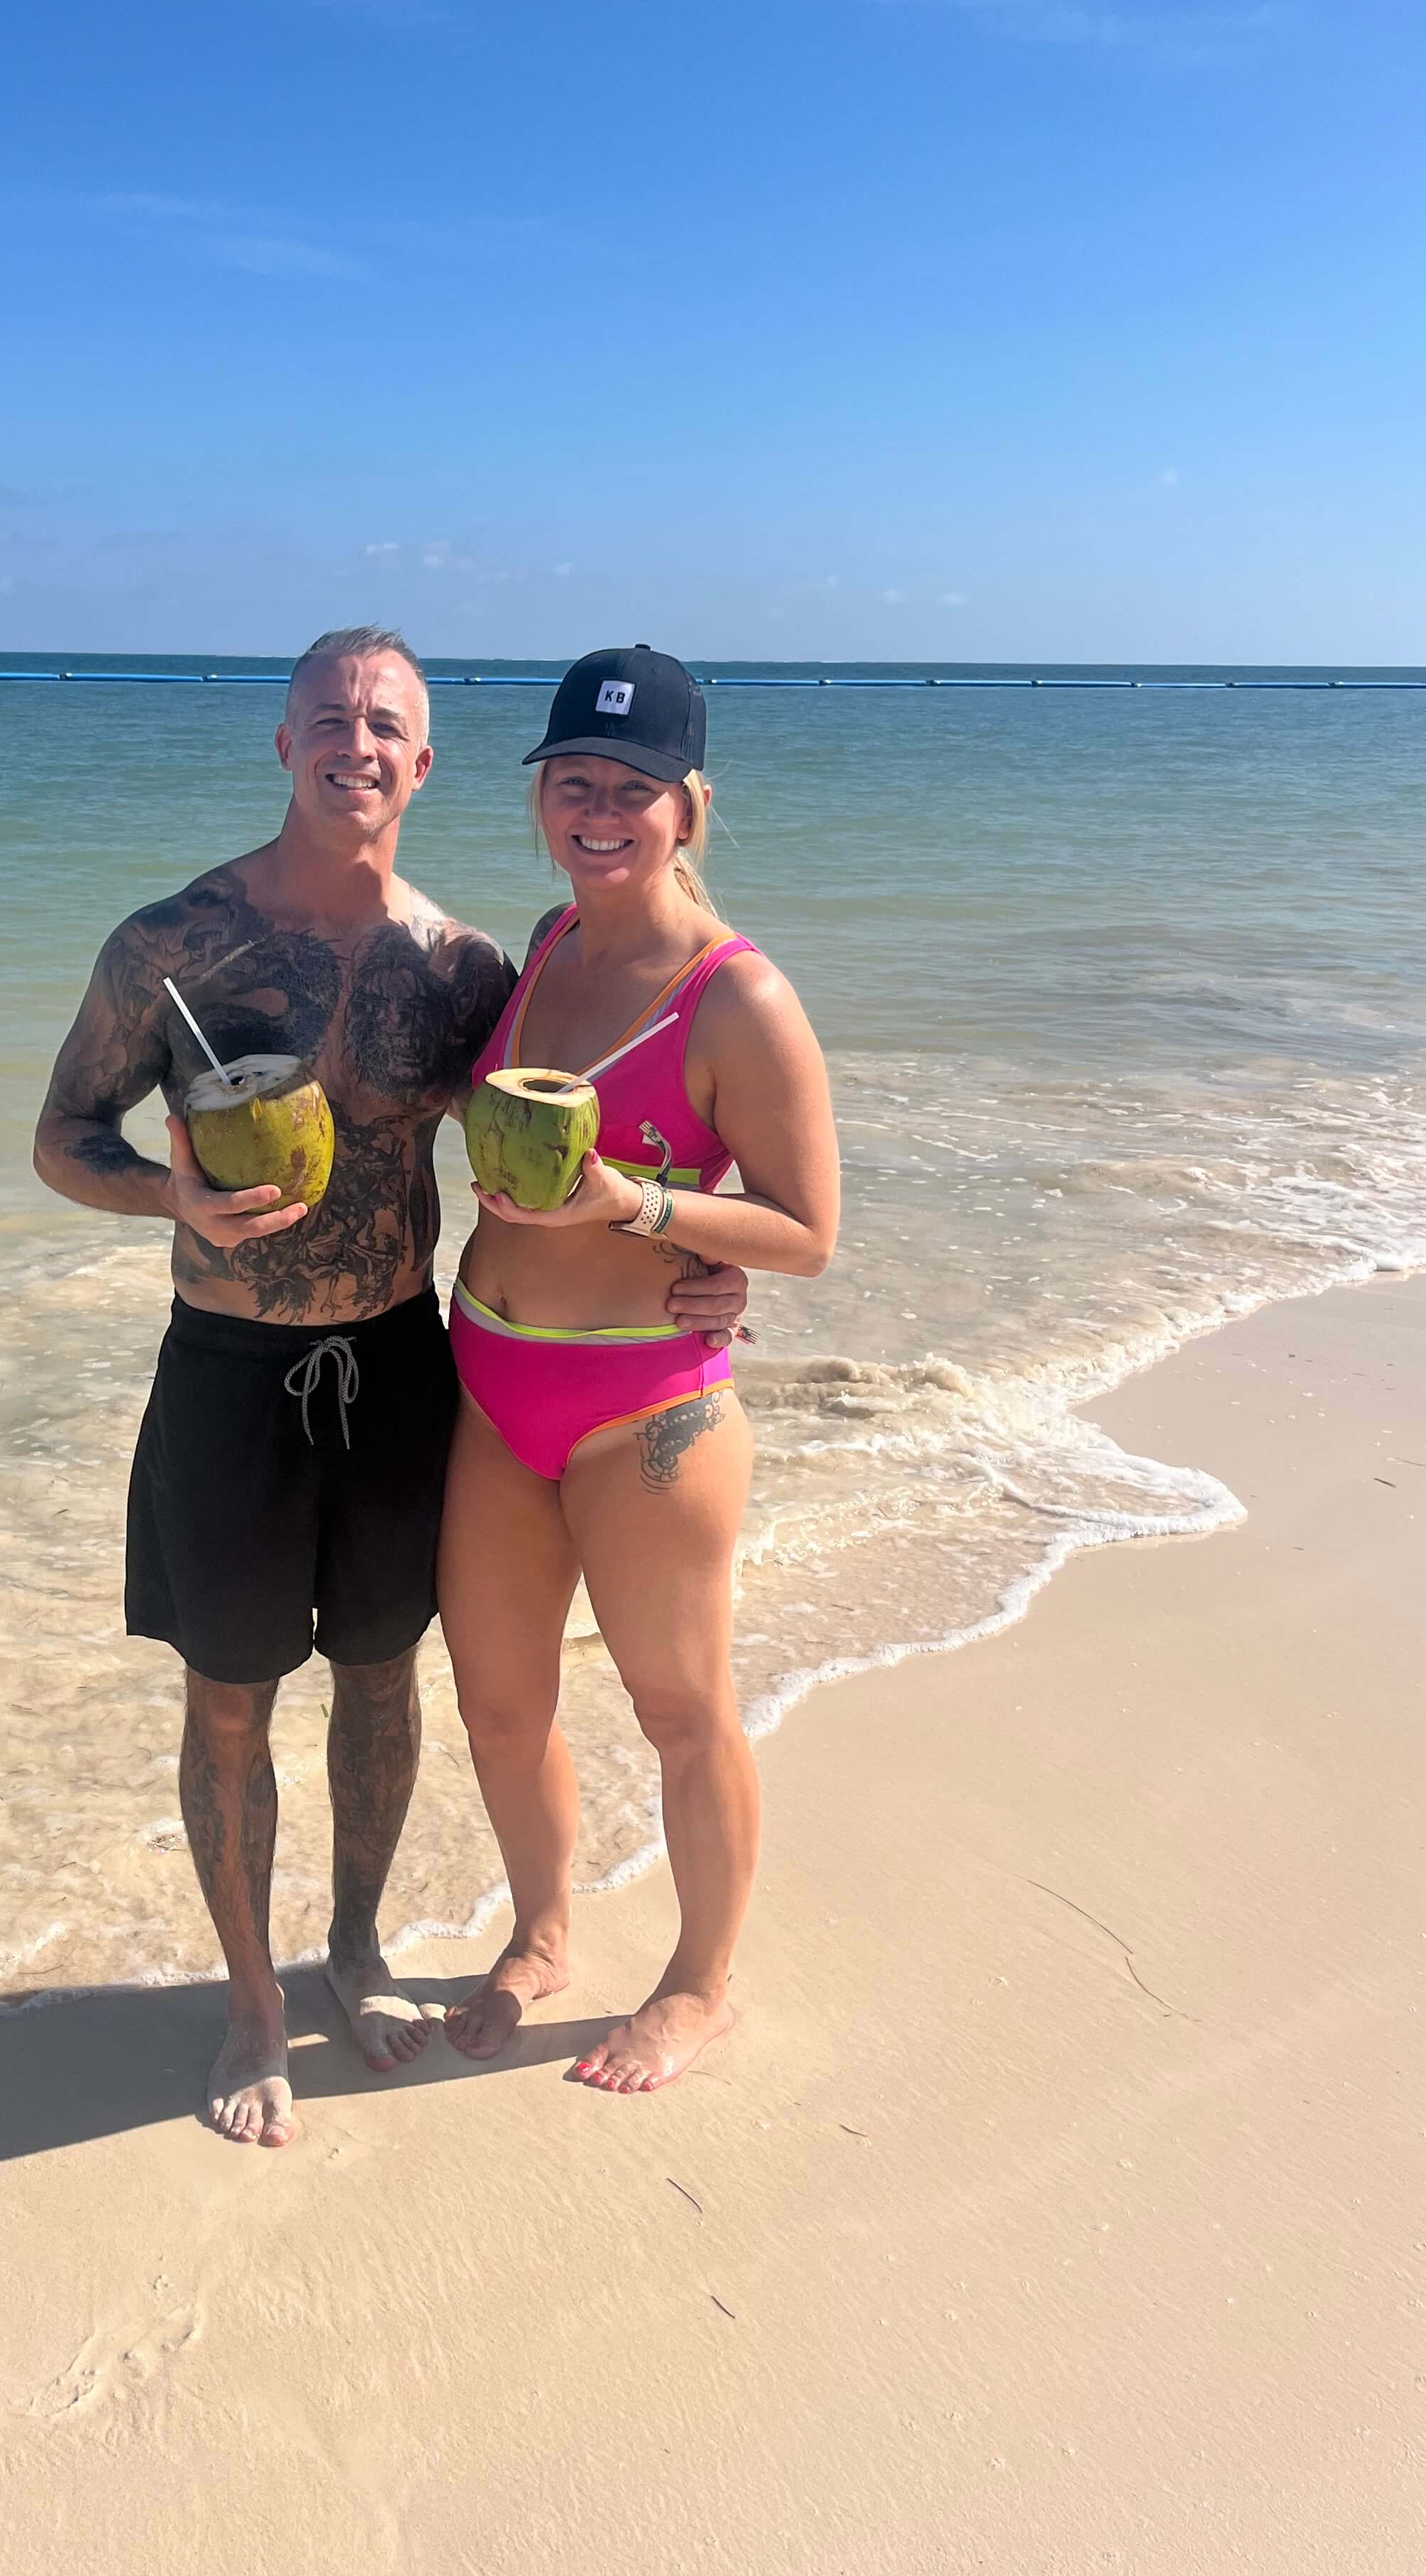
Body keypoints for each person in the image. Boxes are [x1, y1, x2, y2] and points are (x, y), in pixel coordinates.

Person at [33, 628, 749, 2147]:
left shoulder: (466, 970)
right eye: (328, 718)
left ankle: (352, 1951)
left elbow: (594, 1125)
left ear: (424, 765)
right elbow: (63, 1137)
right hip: (231, 1373)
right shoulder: (171, 946)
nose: (354, 744)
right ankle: (249, 2006)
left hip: (403, 1366)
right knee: (229, 1704)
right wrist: (170, 1197)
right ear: (283, 742)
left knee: (382, 1676)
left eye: (385, 726)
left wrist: (700, 1255)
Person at [440, 643, 839, 2094]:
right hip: (491, 1387)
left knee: (679, 1712)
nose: (598, 812)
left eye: (632, 789)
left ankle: (700, 1985)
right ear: (541, 796)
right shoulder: (548, 944)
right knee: (499, 1709)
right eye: (573, 783)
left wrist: (645, 1209)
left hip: (644, 1409)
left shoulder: (740, 999)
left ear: (690, 807)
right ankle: (542, 1934)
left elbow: (807, 1232)